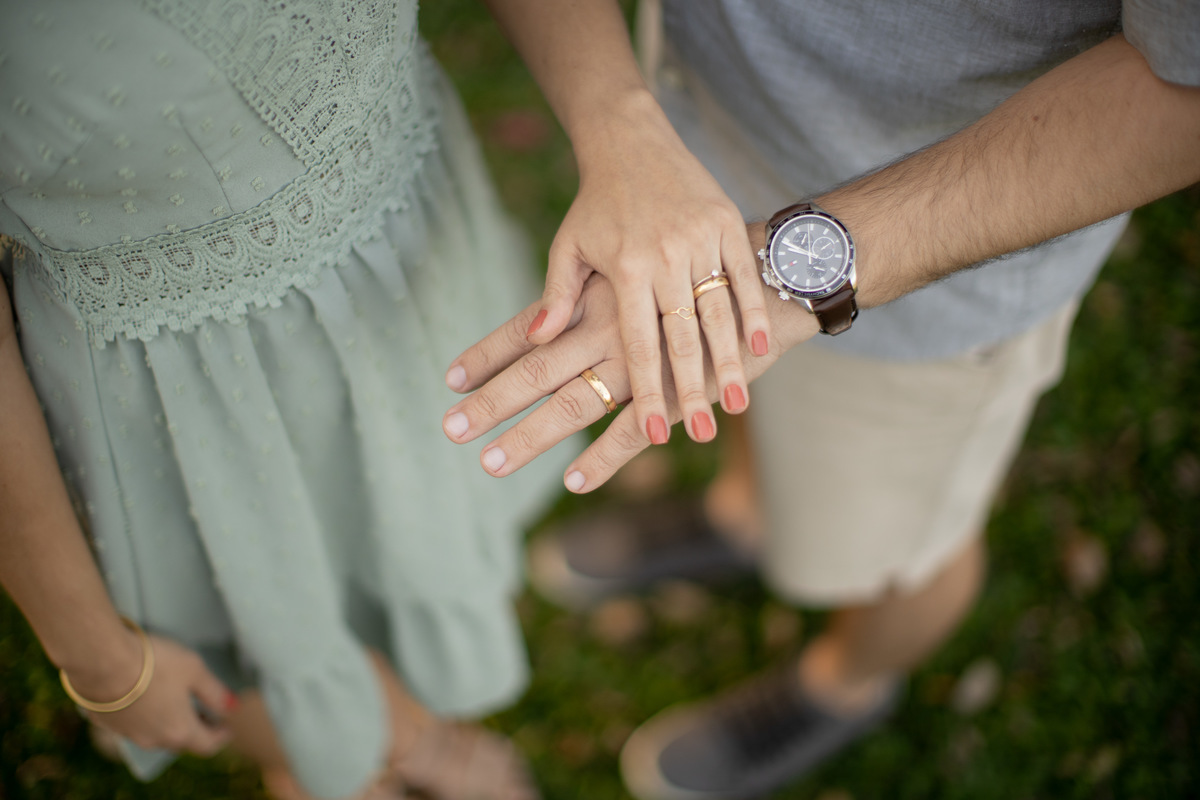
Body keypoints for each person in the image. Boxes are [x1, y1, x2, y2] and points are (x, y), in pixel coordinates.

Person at [442, 2, 1200, 799]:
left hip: (934, 274)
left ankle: (847, 682)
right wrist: (618, 123)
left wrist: (783, 279)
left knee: (902, 553)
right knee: (742, 402)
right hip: (692, 156)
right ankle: (744, 518)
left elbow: (1183, 89)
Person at [0, 2, 571, 799]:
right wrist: (97, 657)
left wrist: (618, 120)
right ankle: (347, 749)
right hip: (179, 400)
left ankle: (393, 724)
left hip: (401, 268)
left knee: (406, 527)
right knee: (255, 614)